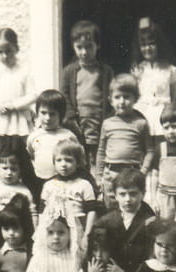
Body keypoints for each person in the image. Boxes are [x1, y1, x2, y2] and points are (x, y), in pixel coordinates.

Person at [96, 74, 155, 209]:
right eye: (117, 97)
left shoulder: (141, 123)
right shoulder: (107, 123)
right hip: (111, 174)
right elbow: (101, 151)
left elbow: (150, 150)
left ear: (135, 99)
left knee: (130, 207)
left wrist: (143, 172)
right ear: (110, 100)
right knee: (111, 210)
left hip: (132, 174)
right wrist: (99, 177)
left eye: (127, 97)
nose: (122, 101)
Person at [61, 20, 113, 168]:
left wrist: (108, 117)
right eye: (79, 47)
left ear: (98, 45)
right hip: (77, 121)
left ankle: (97, 184)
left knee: (98, 154)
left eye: (89, 47)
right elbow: (64, 95)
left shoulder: (105, 71)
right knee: (79, 154)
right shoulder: (69, 72)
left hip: (98, 119)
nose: (84, 52)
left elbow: (111, 95)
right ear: (73, 47)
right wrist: (70, 117)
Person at [98, 168, 156, 272]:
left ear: (143, 193)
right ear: (115, 195)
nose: (128, 199)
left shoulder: (150, 221)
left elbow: (151, 255)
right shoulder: (105, 221)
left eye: (133, 194)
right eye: (122, 194)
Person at [0, 28, 36, 149]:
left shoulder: (24, 70)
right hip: (0, 118)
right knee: (2, 151)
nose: (5, 56)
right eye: (0, 52)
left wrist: (14, 105)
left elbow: (32, 95)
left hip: (18, 117)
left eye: (8, 51)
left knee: (20, 150)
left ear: (16, 48)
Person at [40, 140, 97, 236]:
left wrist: (87, 233)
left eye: (68, 160)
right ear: (54, 162)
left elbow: (92, 210)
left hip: (77, 231)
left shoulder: (84, 184)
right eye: (59, 160)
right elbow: (42, 211)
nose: (63, 164)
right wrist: (42, 231)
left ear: (78, 163)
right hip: (55, 232)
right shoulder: (49, 185)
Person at [27, 90, 81, 188]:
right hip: (40, 181)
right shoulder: (34, 136)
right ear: (37, 112)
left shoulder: (68, 136)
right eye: (43, 113)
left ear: (60, 114)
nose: (47, 118)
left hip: (64, 181)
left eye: (52, 114)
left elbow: (79, 158)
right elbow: (31, 154)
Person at [154, 102, 176, 220]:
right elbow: (155, 175)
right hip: (165, 198)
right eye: (166, 128)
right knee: (166, 228)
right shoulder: (160, 148)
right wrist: (154, 198)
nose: (171, 131)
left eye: (175, 126)